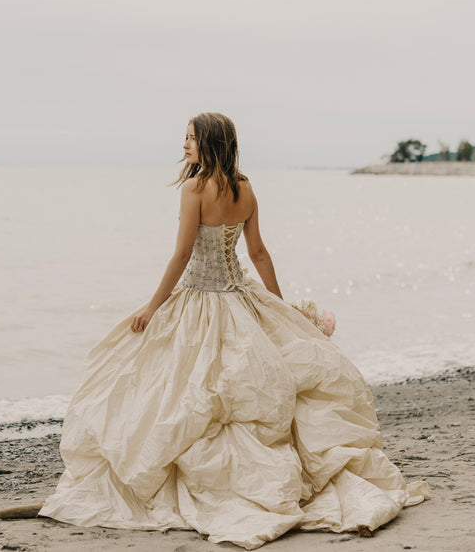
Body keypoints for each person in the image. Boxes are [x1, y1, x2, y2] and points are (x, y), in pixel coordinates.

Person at [38, 113, 428, 549]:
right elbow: (258, 253)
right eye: (183, 138)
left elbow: (183, 255)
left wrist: (153, 306)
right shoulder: (246, 189)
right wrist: (282, 310)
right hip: (240, 297)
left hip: (200, 300)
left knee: (177, 391)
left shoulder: (193, 189)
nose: (183, 145)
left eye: (190, 138)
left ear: (209, 143)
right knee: (237, 391)